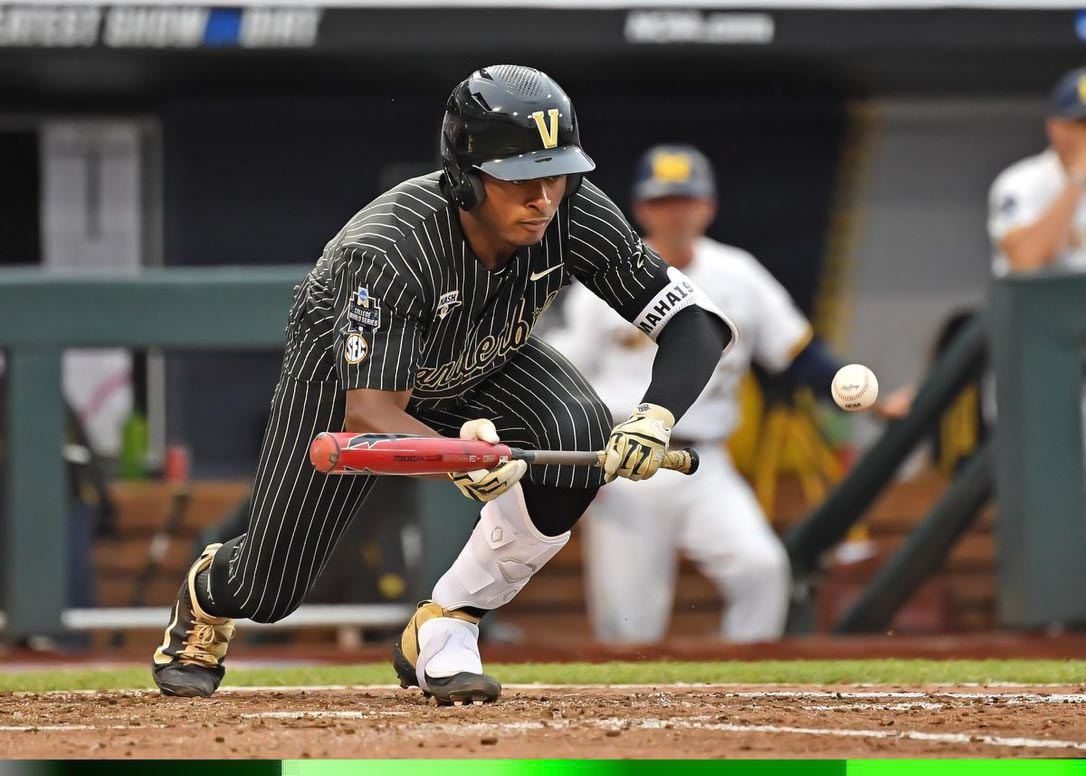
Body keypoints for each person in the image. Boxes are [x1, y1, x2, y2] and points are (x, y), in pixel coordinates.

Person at [150, 66, 733, 704]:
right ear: (465, 179)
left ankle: (447, 623)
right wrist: (461, 458)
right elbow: (373, 410)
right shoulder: (391, 247)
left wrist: (655, 414)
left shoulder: (572, 210)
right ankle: (210, 594)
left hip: (483, 359)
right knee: (269, 590)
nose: (543, 197)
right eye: (518, 179)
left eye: (557, 171)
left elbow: (696, 325)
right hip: (347, 382)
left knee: (579, 434)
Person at [548, 144, 876, 643]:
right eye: (663, 201)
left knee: (761, 569)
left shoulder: (737, 273)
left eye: (686, 200)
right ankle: (627, 718)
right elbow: (562, 369)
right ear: (641, 208)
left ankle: (742, 694)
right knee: (628, 625)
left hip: (705, 462)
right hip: (629, 461)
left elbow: (797, 353)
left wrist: (848, 389)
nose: (676, 213)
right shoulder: (611, 273)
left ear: (708, 206)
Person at [989, 67, 1086, 276]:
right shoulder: (1021, 182)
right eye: (1082, 124)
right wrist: (1077, 176)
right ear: (1055, 127)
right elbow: (1025, 259)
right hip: (1041, 306)